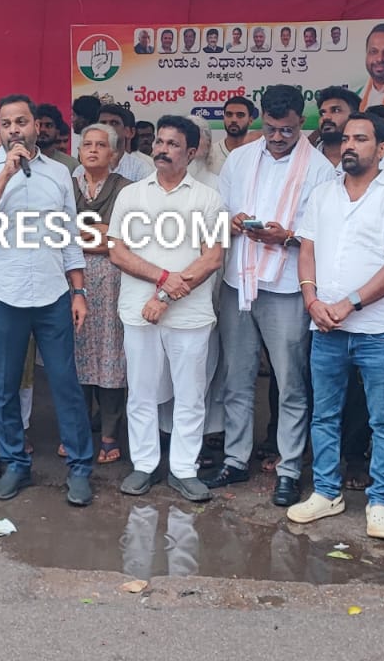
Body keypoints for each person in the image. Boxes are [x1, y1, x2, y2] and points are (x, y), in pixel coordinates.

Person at [287, 113, 384, 540]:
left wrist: (349, 303)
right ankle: (327, 492)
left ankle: (380, 501)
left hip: (379, 329)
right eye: (346, 138)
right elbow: (306, 251)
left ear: (381, 149)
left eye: (360, 139)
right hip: (325, 327)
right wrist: (311, 301)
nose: (349, 145)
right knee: (325, 415)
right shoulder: (323, 193)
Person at [0, 94, 96, 506]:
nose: (14, 130)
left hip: (52, 293)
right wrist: (6, 172)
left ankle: (80, 468)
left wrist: (79, 291)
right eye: (6, 124)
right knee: (4, 386)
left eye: (21, 122)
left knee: (65, 382)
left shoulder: (58, 173)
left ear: (36, 126)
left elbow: (69, 235)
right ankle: (15, 464)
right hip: (4, 293)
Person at [207, 85, 332, 506]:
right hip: (238, 283)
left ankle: (289, 468)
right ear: (262, 119)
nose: (278, 137)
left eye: (288, 130)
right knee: (237, 377)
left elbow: (324, 233)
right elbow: (218, 212)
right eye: (272, 128)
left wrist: (288, 236)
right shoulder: (240, 159)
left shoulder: (319, 169)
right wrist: (233, 221)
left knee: (290, 382)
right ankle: (235, 460)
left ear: (302, 122)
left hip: (288, 287)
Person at [108, 115, 226, 502]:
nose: (162, 149)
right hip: (138, 311)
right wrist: (163, 279)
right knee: (141, 392)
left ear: (191, 153)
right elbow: (117, 251)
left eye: (173, 144)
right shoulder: (131, 195)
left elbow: (212, 258)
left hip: (189, 315)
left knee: (190, 395)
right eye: (159, 142)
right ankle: (144, 465)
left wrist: (165, 297)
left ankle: (184, 470)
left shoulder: (207, 198)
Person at [71, 123, 132, 466]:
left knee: (111, 356)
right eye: (87, 144)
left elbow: (123, 238)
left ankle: (109, 435)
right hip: (73, 280)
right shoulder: (68, 187)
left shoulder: (126, 190)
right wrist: (101, 234)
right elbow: (56, 231)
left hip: (113, 282)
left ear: (114, 154)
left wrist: (81, 234)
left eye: (100, 145)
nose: (92, 150)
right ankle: (78, 432)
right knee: (76, 353)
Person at [88, 105, 156, 181]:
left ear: (127, 131)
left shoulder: (141, 169)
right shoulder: (83, 170)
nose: (108, 127)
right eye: (103, 123)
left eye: (114, 123)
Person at [208, 96, 259, 175]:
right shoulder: (211, 153)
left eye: (240, 115)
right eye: (229, 115)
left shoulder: (258, 153)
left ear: (250, 120)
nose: (234, 120)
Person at [35, 104, 79, 171]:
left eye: (49, 125)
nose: (43, 129)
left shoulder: (71, 164)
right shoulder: (21, 161)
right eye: (39, 125)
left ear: (57, 131)